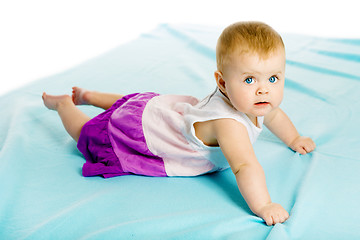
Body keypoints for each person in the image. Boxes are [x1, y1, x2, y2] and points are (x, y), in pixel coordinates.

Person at [42, 21, 316, 226]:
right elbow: (245, 165)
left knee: (134, 102)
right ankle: (65, 105)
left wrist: (293, 139)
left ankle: (91, 95)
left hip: (166, 111)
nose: (263, 90)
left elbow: (275, 115)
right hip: (151, 134)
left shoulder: (256, 102)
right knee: (89, 135)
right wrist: (264, 204)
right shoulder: (228, 124)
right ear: (222, 82)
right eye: (249, 80)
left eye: (273, 79)